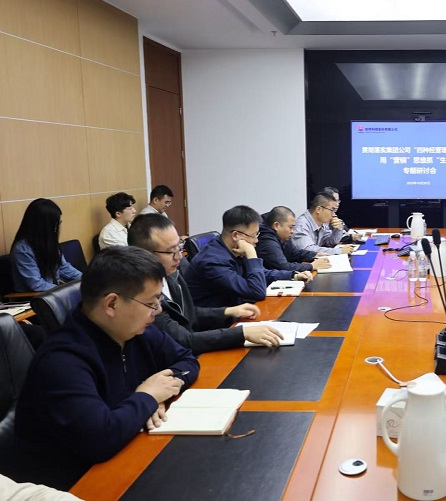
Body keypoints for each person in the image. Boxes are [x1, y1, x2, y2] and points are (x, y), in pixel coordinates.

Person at [14, 246, 199, 489]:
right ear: (111, 304)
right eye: (151, 303)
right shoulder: (61, 361)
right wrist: (148, 396)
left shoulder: (134, 330)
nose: (159, 310)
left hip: (127, 453)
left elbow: (187, 360)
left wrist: (159, 392)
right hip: (73, 483)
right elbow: (100, 439)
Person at [128, 214, 285, 355]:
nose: (179, 257)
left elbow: (187, 315)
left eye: (179, 247)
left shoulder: (171, 273)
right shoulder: (143, 295)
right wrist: (242, 333)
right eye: (171, 251)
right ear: (146, 255)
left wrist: (228, 311)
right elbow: (183, 340)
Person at [184, 205, 312, 307]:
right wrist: (251, 253)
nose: (256, 240)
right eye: (254, 235)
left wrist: (293, 275)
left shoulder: (231, 248)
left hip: (237, 312)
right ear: (235, 235)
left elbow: (259, 273)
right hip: (217, 324)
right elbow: (257, 292)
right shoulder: (213, 262)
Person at [10, 198, 81, 292]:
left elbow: (65, 268)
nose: (56, 228)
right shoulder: (22, 249)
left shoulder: (48, 243)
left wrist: (88, 280)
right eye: (55, 224)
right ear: (44, 226)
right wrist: (67, 290)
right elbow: (36, 285)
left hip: (52, 293)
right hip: (33, 297)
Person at [257, 207, 331, 273]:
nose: (292, 231)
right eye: (290, 227)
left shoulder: (282, 236)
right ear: (276, 225)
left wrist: (315, 254)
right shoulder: (267, 241)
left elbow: (295, 253)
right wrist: (311, 266)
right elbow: (283, 267)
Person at [292, 193, 357, 255]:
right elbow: (308, 249)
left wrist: (338, 229)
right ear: (318, 209)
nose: (334, 214)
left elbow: (330, 242)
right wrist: (339, 251)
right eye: (332, 210)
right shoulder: (302, 224)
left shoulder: (322, 223)